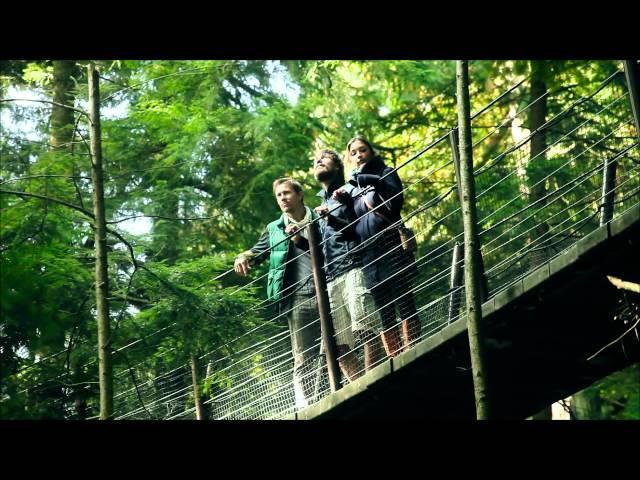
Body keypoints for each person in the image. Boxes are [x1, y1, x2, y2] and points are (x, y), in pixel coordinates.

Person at [234, 178, 320, 410]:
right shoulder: (275, 229)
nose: (283, 198)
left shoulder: (320, 216)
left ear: (300, 194)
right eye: (279, 195)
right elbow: (257, 251)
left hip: (328, 286)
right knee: (303, 356)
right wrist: (242, 256)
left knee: (340, 343)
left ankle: (349, 387)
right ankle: (306, 408)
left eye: (287, 193)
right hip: (299, 297)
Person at [313, 149, 384, 382]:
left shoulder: (350, 191)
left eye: (324, 159)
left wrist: (331, 218)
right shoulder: (318, 207)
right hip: (330, 277)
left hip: (354, 266)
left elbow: (361, 227)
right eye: (315, 161)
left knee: (365, 328)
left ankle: (371, 381)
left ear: (337, 167)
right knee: (337, 346)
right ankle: (359, 386)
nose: (318, 162)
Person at [346, 135, 421, 357]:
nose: (359, 155)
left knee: (404, 300)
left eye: (363, 150)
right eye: (354, 153)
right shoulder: (354, 189)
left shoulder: (385, 172)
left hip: (391, 246)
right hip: (371, 256)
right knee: (384, 311)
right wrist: (341, 205)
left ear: (371, 152)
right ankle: (395, 357)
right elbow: (352, 227)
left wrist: (369, 179)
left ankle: (414, 350)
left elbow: (396, 201)